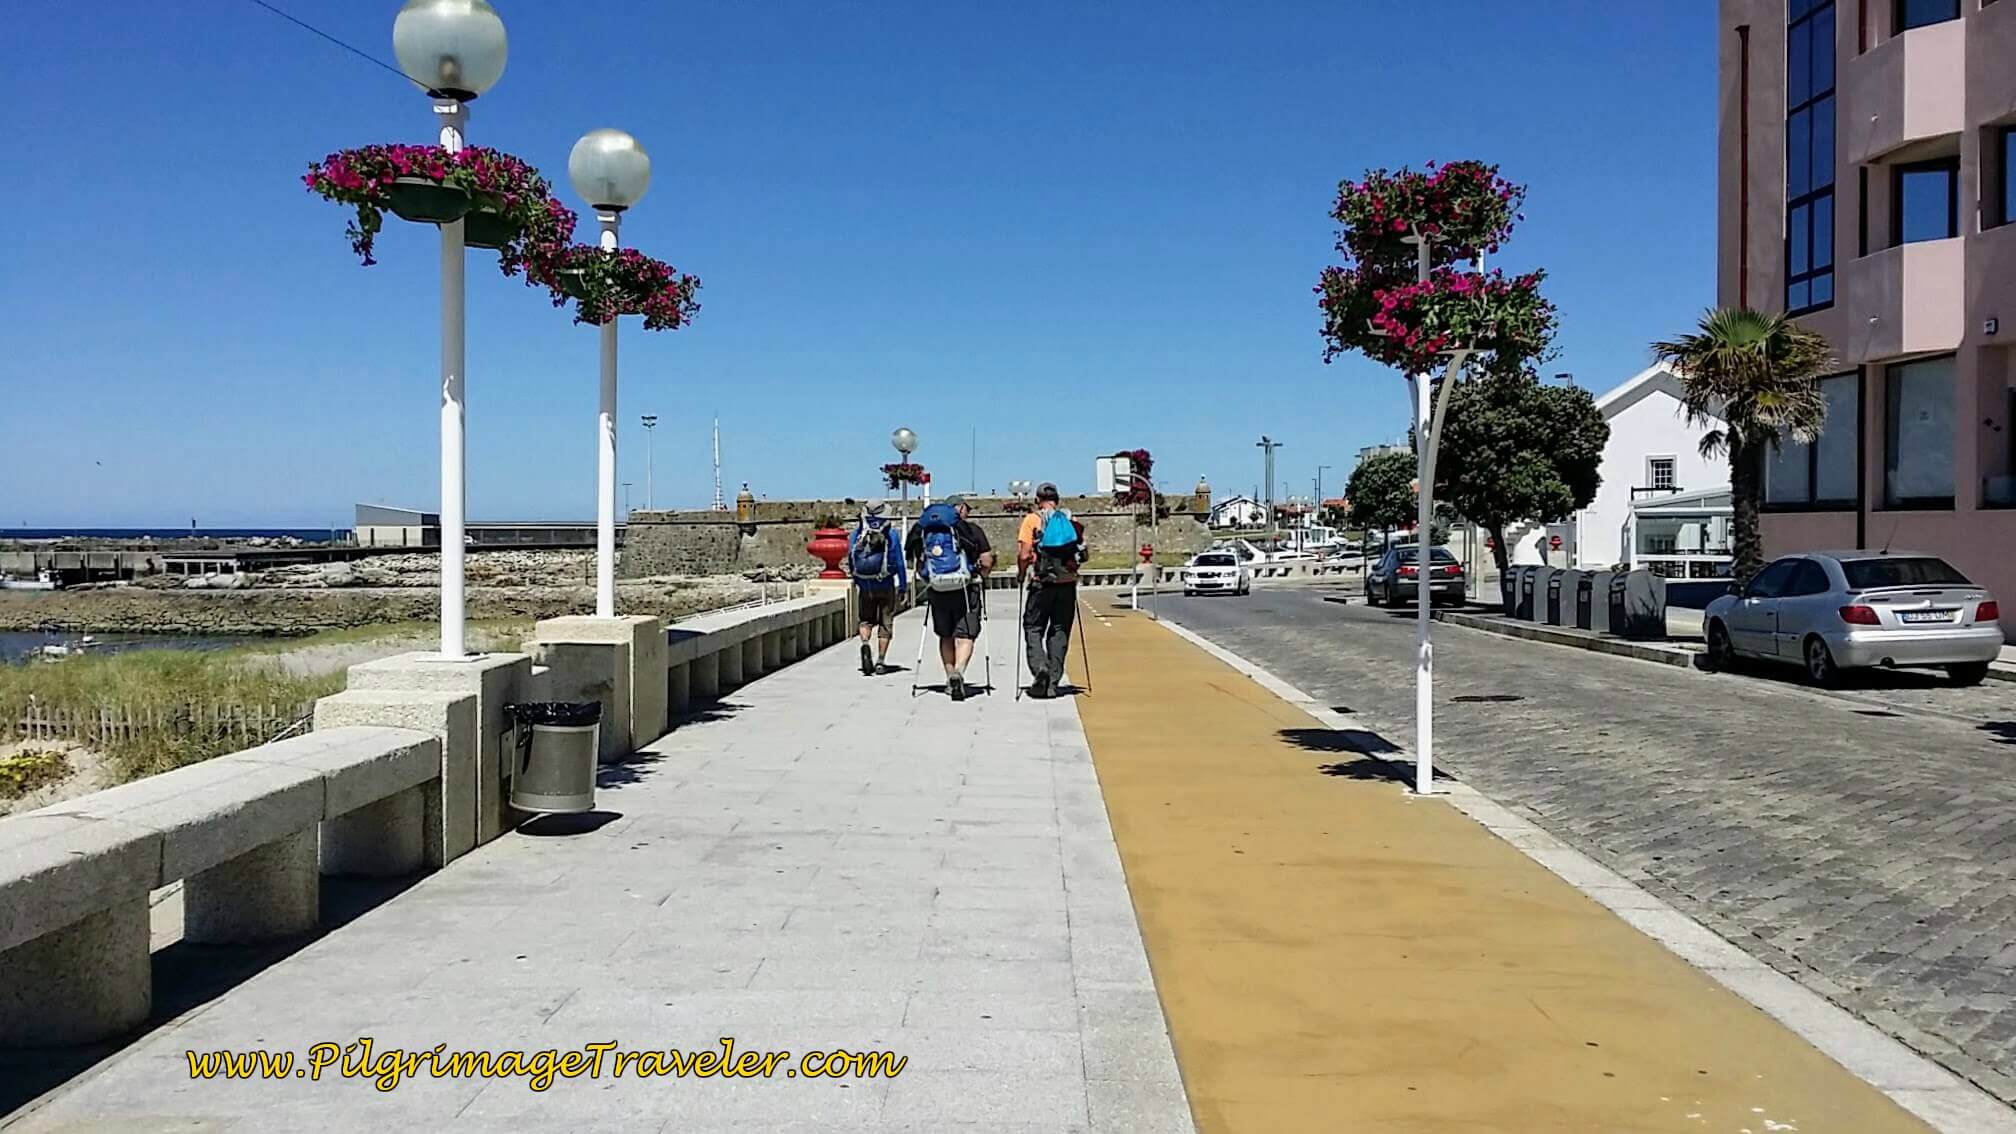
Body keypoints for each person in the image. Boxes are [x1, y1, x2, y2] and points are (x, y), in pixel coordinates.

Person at [906, 494, 995, 701]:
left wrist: (929, 577)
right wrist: (982, 575)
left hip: (938, 589)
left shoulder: (926, 531)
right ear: (960, 508)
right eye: (967, 509)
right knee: (965, 635)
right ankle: (959, 673)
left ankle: (949, 677)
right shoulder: (971, 530)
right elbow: (986, 559)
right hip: (966, 587)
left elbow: (916, 561)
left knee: (946, 635)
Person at [1016, 482, 1086, 699]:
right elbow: (1083, 554)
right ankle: (1053, 683)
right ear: (1058, 499)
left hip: (1041, 582)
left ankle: (1040, 669)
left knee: (1033, 627)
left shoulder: (1032, 520)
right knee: (1059, 630)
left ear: (1037, 500)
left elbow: (1025, 554)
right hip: (1066, 585)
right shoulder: (1070, 521)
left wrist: (1021, 574)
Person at [847, 500, 907, 676]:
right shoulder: (891, 534)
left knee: (865, 620)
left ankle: (865, 643)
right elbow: (899, 562)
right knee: (885, 623)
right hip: (886, 584)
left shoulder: (857, 533)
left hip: (865, 585)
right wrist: (902, 586)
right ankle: (880, 661)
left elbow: (851, 559)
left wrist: (857, 579)